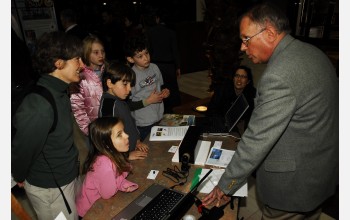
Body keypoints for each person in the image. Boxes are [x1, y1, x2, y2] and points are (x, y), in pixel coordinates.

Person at [202, 3, 338, 219]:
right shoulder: (313, 53)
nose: (242, 47)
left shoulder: (279, 76)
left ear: (270, 33)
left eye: (246, 39)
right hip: (319, 175)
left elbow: (257, 139)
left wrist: (226, 185)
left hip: (293, 188)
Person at [12, 31, 85, 220]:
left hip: (66, 177)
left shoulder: (60, 91)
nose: (82, 65)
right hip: (51, 188)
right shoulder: (39, 105)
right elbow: (23, 150)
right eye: (77, 59)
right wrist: (20, 175)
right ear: (58, 63)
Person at [75, 117, 139, 218]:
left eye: (124, 131)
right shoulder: (104, 165)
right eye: (119, 135)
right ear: (106, 144)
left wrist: (121, 174)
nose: (127, 135)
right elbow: (108, 194)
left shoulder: (114, 153)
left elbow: (125, 167)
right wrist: (121, 179)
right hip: (88, 211)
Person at [99, 61, 159, 160]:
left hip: (130, 148)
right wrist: (126, 156)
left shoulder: (120, 99)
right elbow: (107, 142)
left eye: (130, 85)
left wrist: (137, 141)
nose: (129, 89)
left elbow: (129, 123)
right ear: (110, 83)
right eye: (125, 84)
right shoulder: (109, 106)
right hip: (121, 157)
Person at [124, 35, 170, 141]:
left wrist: (164, 92)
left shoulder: (154, 67)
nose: (146, 58)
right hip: (143, 124)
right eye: (140, 56)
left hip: (159, 117)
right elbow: (128, 105)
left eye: (147, 53)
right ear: (131, 59)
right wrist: (148, 101)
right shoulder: (130, 76)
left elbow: (160, 87)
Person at [144, 8, 182, 113]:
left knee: (158, 87)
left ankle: (160, 109)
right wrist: (178, 66)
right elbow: (175, 51)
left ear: (157, 19)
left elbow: (149, 50)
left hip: (156, 65)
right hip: (169, 66)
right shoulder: (171, 32)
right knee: (172, 89)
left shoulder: (150, 32)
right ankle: (174, 110)